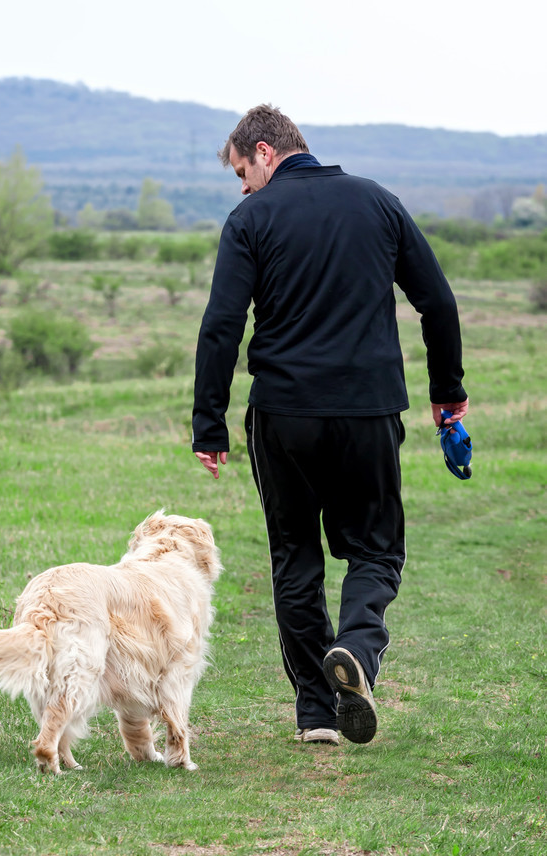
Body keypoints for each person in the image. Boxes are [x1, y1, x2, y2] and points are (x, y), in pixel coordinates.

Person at [191, 104, 468, 747]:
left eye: (241, 171)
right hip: (368, 411)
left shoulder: (250, 219)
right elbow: (439, 302)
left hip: (283, 417)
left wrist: (210, 424)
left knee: (295, 557)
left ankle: (318, 712)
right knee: (375, 550)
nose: (241, 187)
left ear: (264, 152)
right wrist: (446, 395)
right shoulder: (377, 202)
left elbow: (221, 328)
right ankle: (357, 654)